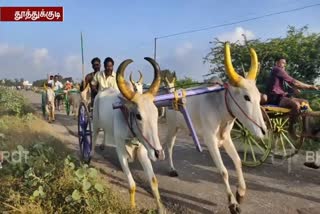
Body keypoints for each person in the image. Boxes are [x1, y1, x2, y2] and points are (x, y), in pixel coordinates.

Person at [266, 56, 319, 137]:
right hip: (275, 97)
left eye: (284, 63)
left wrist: (294, 89)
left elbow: (290, 85)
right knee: (296, 105)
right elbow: (294, 82)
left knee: (305, 103)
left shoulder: (281, 74)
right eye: (282, 62)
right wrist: (310, 86)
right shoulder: (277, 69)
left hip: (283, 96)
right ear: (277, 63)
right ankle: (291, 128)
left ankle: (306, 130)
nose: (283, 65)